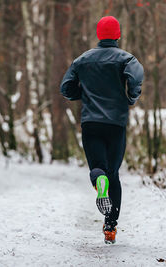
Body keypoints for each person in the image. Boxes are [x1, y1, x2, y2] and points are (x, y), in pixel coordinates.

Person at [60, 16, 144, 244]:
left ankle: (99, 181)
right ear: (118, 35)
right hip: (116, 123)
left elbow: (66, 88)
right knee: (114, 173)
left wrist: (84, 94)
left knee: (99, 168)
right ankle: (110, 227)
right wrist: (131, 96)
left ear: (99, 35)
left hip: (91, 123)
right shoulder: (127, 59)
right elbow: (136, 78)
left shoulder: (82, 60)